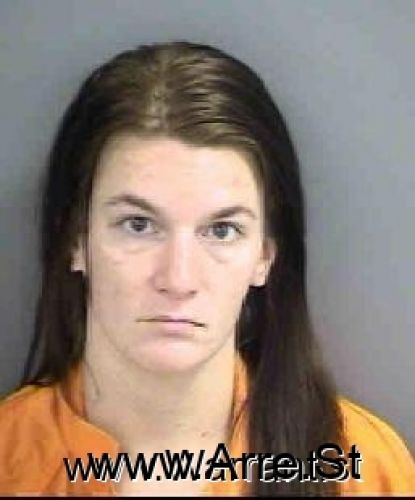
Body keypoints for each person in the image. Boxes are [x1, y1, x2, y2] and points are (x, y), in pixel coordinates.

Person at [0, 41, 413, 496]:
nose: (178, 280)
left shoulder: (364, 472)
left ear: (265, 256)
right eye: (138, 225)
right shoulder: (9, 460)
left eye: (221, 230)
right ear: (75, 240)